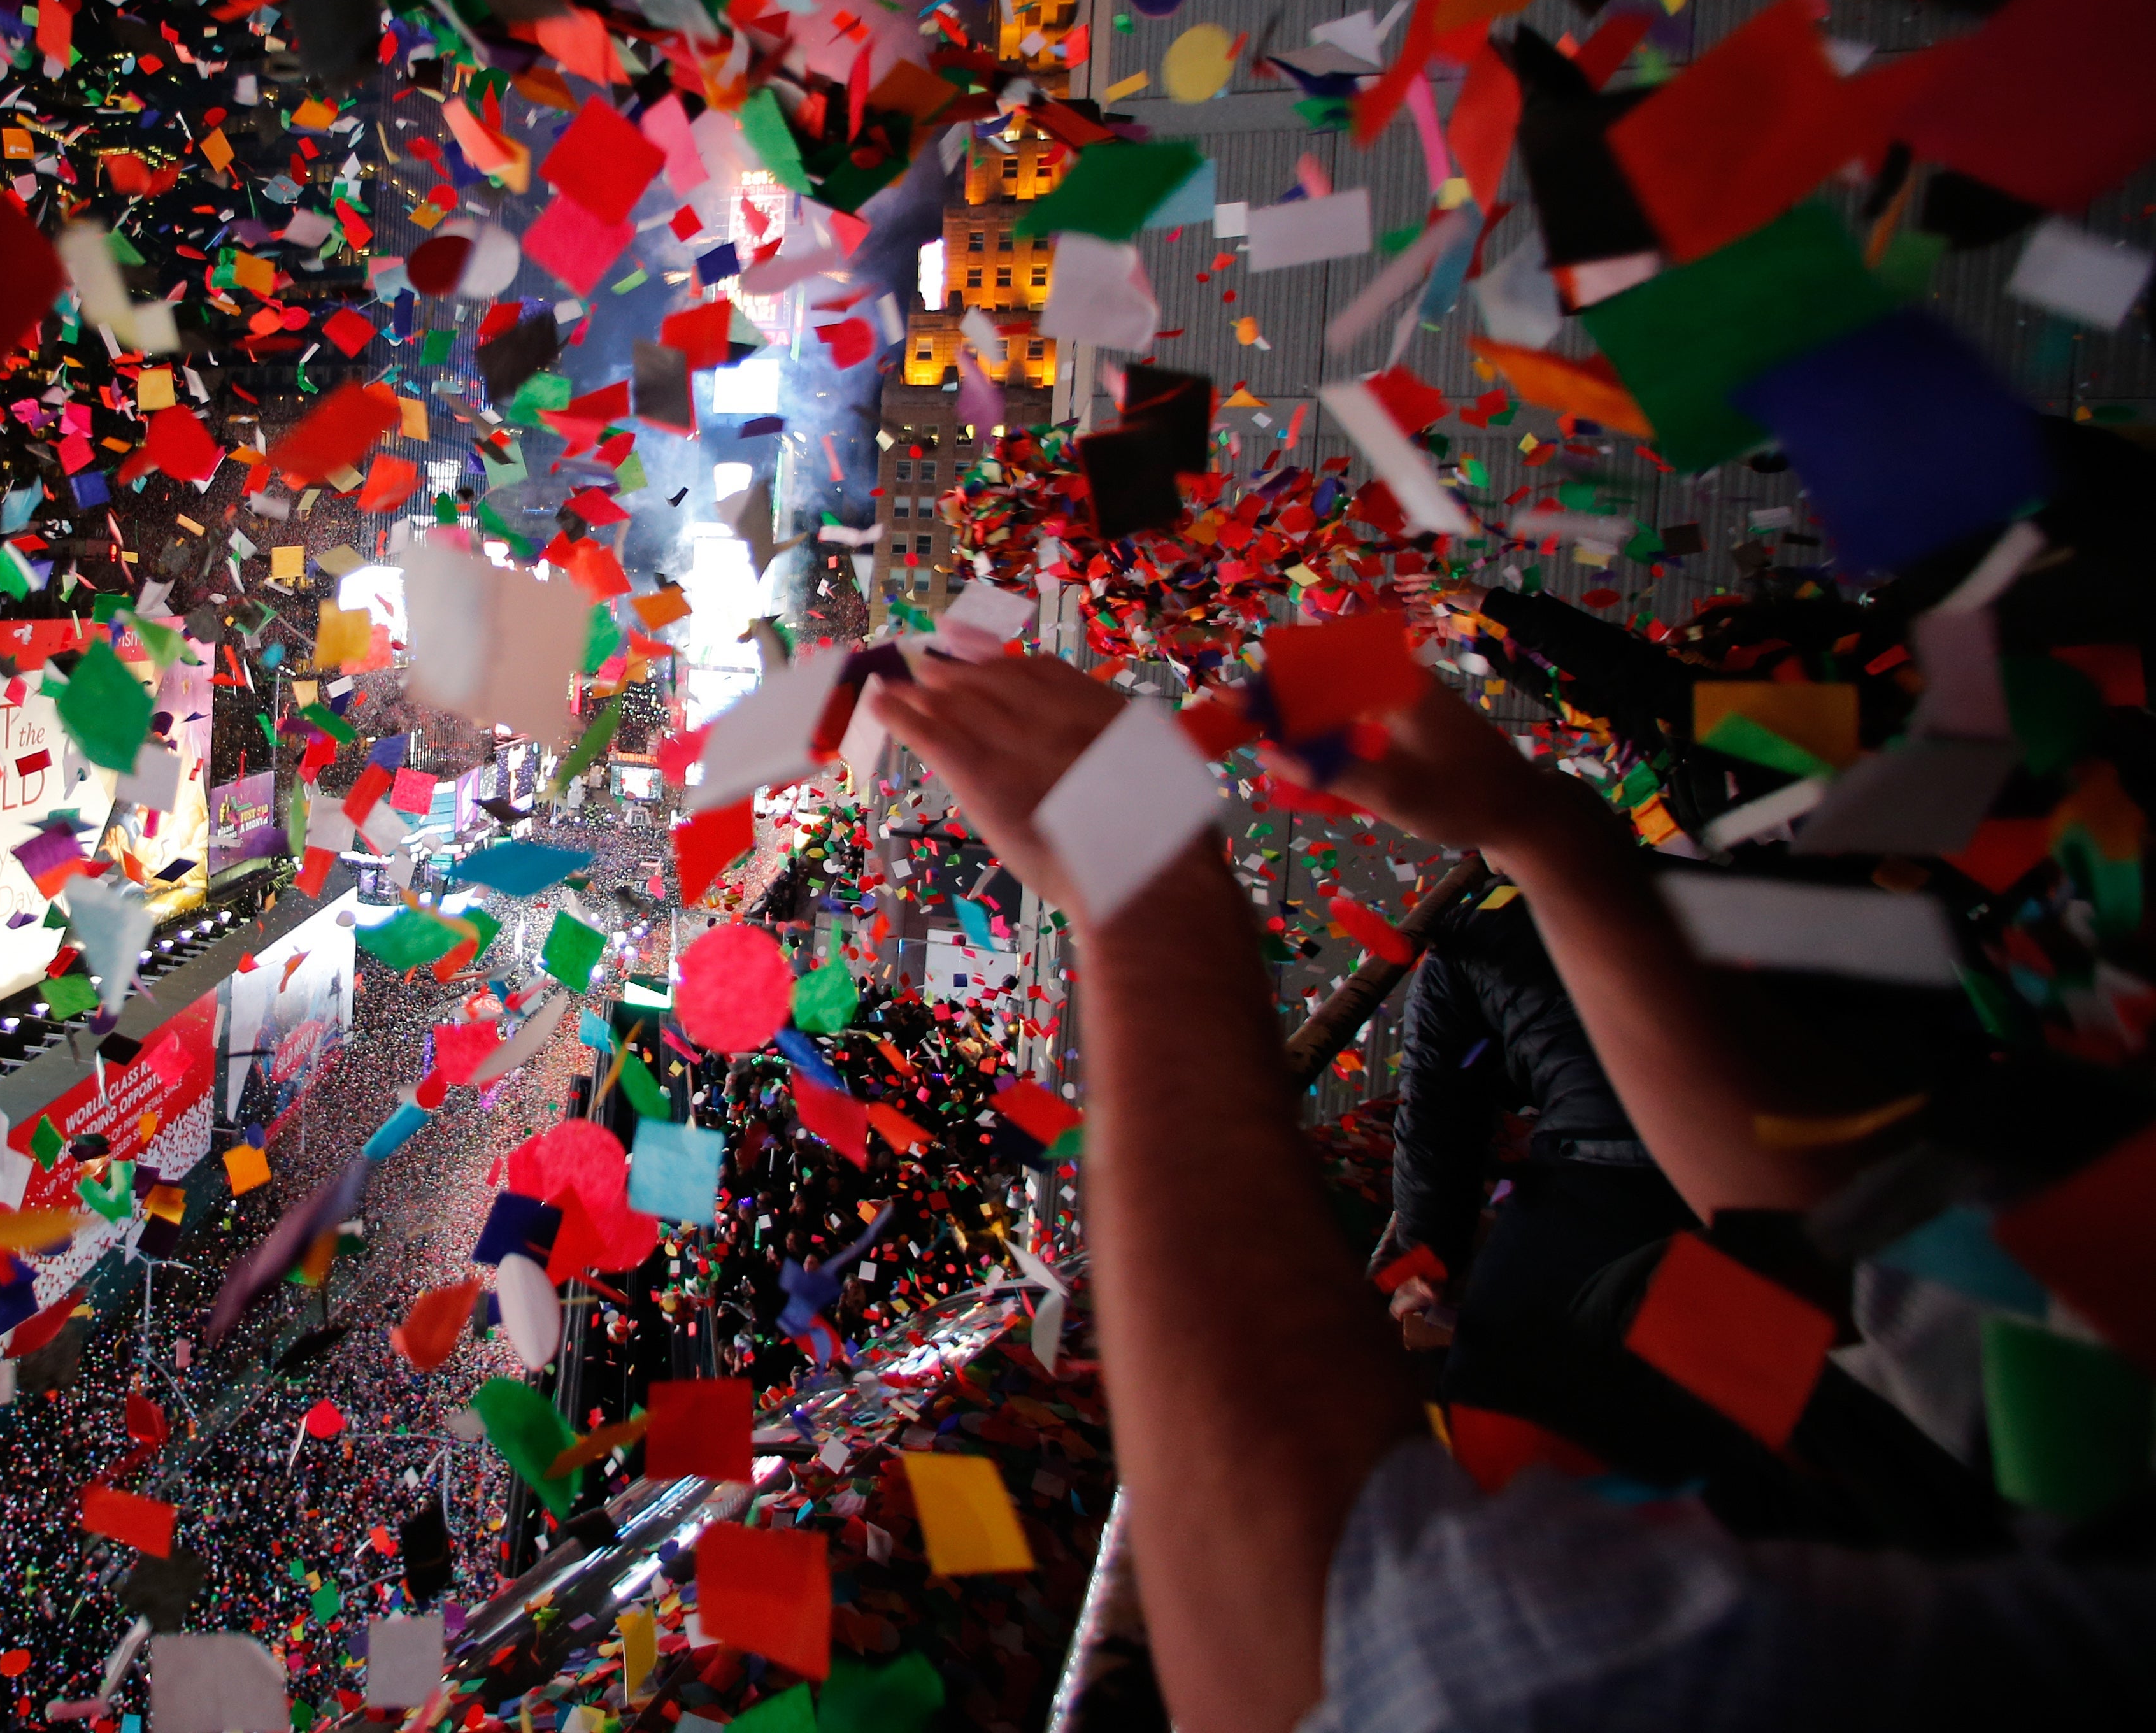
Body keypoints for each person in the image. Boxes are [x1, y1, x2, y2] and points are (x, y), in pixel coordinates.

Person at [873, 653, 2156, 1733]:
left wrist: (1148, 900)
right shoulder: (2075, 1368)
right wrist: (1538, 828)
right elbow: (1884, 1250)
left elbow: (1345, 1647)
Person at [1369, 897, 1692, 1366]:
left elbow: (1436, 1123)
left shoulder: (1465, 939)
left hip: (1618, 1158)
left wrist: (1427, 1259)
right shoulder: (1663, 873)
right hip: (1783, 1118)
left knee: (1490, 1383)